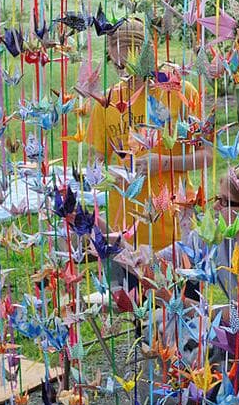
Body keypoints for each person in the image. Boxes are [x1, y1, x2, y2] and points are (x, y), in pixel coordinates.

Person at [85, 17, 209, 254]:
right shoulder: (106, 102)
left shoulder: (180, 92)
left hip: (175, 230)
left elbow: (209, 156)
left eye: (129, 64)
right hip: (125, 231)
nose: (126, 73)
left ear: (146, 54)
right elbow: (96, 164)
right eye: (119, 66)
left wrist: (163, 163)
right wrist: (112, 176)